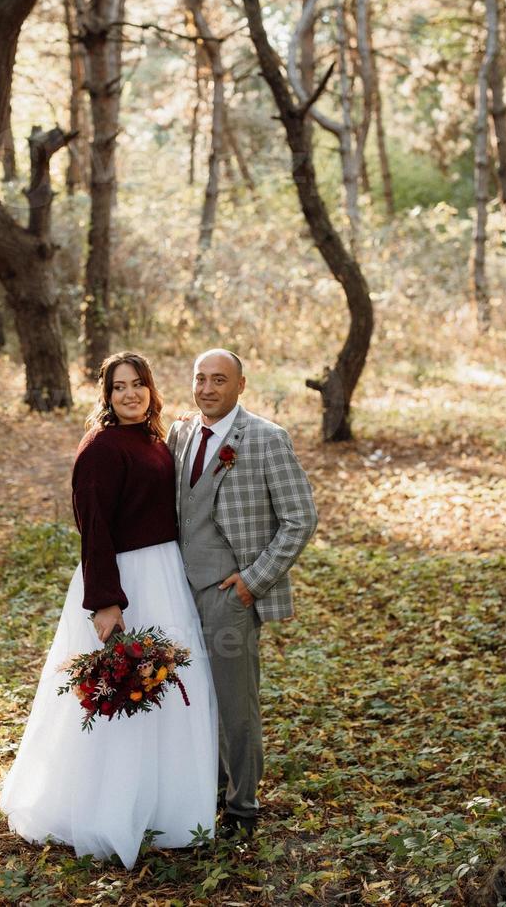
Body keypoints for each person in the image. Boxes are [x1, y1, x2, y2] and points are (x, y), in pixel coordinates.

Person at [0, 352, 218, 869]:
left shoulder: (152, 437)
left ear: (151, 389)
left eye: (138, 384)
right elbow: (93, 528)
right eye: (119, 387)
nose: (130, 395)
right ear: (106, 394)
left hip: (165, 574)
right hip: (125, 580)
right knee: (122, 689)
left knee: (170, 690)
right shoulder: (99, 448)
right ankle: (108, 810)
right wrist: (105, 602)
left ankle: (167, 807)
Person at [166, 349, 317, 837]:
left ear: (241, 385)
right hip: (177, 592)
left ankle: (242, 807)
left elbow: (300, 519)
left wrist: (253, 581)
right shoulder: (180, 433)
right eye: (200, 378)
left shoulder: (268, 439)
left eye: (219, 380)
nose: (207, 388)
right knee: (190, 696)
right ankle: (205, 788)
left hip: (229, 596)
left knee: (236, 701)